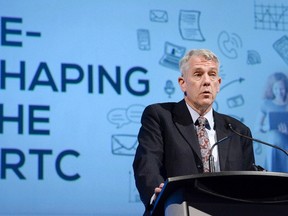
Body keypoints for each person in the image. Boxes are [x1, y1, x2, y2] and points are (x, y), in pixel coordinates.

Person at [133, 49, 255, 215]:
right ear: (182, 82)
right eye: (198, 74)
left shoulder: (238, 131)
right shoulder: (160, 116)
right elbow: (147, 163)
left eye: (212, 75)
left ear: (218, 84)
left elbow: (249, 183)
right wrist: (157, 195)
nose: (206, 81)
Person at [257, 72, 288, 172]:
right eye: (276, 89)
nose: (279, 92)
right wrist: (268, 126)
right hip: (273, 147)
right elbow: (257, 127)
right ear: (271, 89)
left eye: (282, 89)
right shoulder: (267, 104)